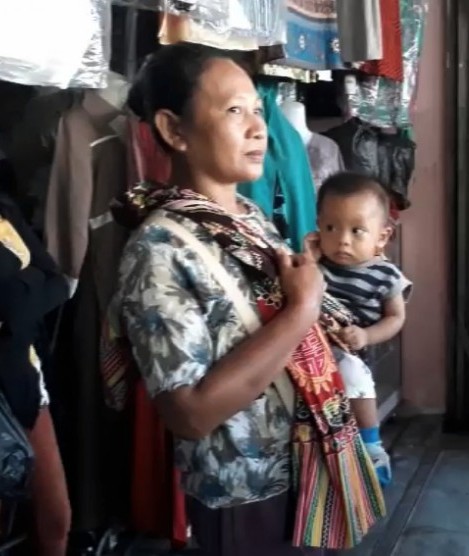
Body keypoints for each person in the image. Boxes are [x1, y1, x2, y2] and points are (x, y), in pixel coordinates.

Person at [110, 43, 384, 555]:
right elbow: (188, 413)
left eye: (257, 110)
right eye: (234, 111)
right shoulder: (160, 251)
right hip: (242, 493)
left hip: (302, 464)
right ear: (174, 130)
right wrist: (303, 309)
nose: (259, 128)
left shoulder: (249, 221)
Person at [311, 172, 412, 488]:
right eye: (330, 227)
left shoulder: (385, 276)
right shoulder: (318, 266)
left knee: (353, 374)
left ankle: (372, 446)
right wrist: (307, 256)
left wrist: (366, 335)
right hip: (310, 351)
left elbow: (396, 318)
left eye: (357, 231)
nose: (342, 239)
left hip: (348, 352)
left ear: (382, 237)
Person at [0, 191, 71, 556]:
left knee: (56, 519)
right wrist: (27, 285)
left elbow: (57, 282)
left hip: (24, 381)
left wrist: (15, 298)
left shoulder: (5, 206)